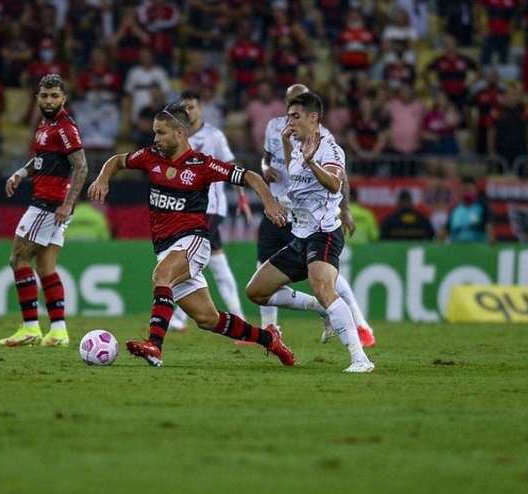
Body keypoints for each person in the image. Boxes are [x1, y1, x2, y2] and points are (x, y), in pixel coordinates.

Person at [87, 103, 294, 368]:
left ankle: (154, 346)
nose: (156, 139)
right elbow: (117, 160)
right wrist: (103, 178)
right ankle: (270, 339)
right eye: (155, 133)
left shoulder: (202, 165)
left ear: (181, 133)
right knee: (208, 319)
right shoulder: (150, 157)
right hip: (165, 247)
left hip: (193, 240)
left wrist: (270, 203)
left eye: (161, 133)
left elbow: (250, 176)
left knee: (162, 275)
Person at [245, 92, 375, 373]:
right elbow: (295, 172)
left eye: (295, 116)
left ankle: (360, 359)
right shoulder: (296, 144)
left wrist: (312, 162)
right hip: (300, 235)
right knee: (256, 291)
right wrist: (284, 144)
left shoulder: (330, 149)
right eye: (288, 116)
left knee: (324, 287)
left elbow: (333, 185)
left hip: (324, 233)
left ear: (313, 117)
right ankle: (319, 308)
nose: (289, 121)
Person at [0, 74, 89, 348]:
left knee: (18, 259)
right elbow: (41, 160)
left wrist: (67, 203)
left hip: (48, 205)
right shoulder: (45, 125)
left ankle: (29, 328)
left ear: (64, 98)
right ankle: (59, 331)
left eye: (54, 96)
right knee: (46, 267)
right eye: (44, 96)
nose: (49, 101)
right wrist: (20, 173)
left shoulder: (64, 127)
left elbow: (81, 166)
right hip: (52, 204)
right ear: (37, 97)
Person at [168, 90, 249, 332]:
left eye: (191, 107)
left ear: (200, 108)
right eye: (184, 107)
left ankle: (180, 318)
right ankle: (239, 317)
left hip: (212, 207)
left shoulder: (214, 136)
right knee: (217, 262)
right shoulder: (177, 137)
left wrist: (242, 197)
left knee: (190, 258)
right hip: (189, 209)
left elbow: (231, 166)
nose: (188, 111)